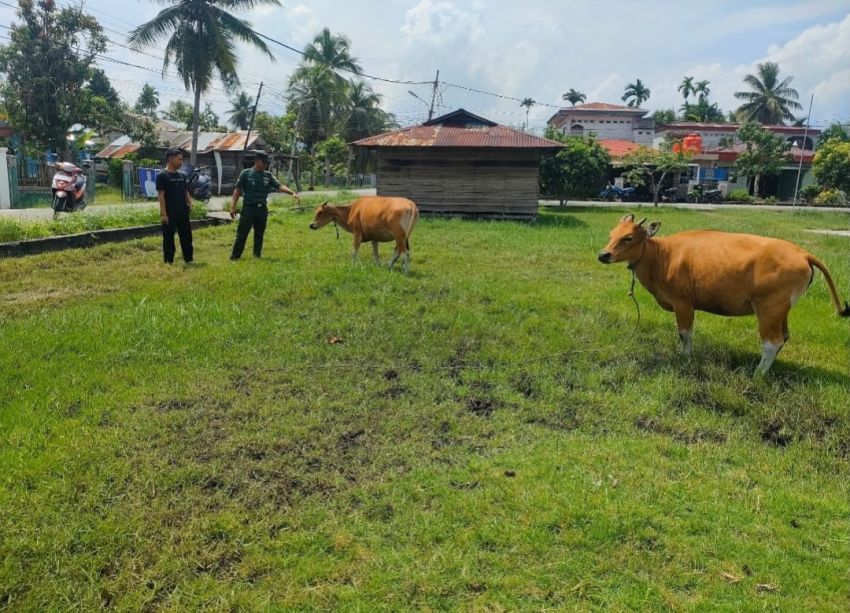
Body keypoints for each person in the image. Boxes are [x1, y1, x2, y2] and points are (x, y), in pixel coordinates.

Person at [229, 152, 300, 260]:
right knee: (242, 234)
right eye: (264, 163)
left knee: (259, 234)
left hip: (261, 209)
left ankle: (257, 256)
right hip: (249, 208)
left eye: (266, 163)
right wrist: (233, 206)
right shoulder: (246, 174)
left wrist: (292, 192)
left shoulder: (267, 175)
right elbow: (237, 190)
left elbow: (279, 186)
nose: (265, 165)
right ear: (257, 161)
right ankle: (234, 257)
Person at [156, 149, 193, 264]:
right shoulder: (162, 175)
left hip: (182, 212)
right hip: (169, 213)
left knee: (186, 236)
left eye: (182, 159)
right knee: (168, 238)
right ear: (171, 159)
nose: (181, 162)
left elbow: (185, 191)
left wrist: (190, 202)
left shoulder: (182, 175)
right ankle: (168, 261)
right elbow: (161, 195)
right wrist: (163, 214)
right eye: (179, 159)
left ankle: (189, 259)